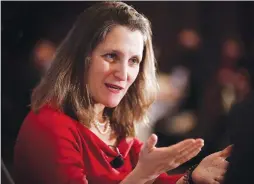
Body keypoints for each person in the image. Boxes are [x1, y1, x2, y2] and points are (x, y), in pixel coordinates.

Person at [14, 2, 231, 184]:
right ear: (81, 58)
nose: (123, 73)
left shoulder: (115, 124)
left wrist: (192, 176)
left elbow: (154, 181)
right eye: (111, 56)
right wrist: (141, 176)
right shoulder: (50, 126)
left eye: (134, 61)